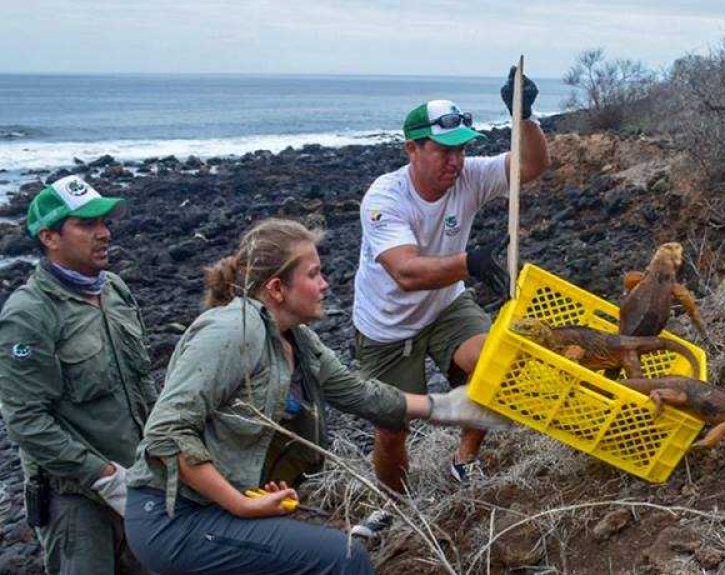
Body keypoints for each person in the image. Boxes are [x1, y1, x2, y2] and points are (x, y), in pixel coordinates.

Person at [122, 218, 506, 575]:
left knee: (322, 540)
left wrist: (450, 406)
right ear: (276, 289)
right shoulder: (231, 332)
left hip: (212, 507)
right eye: (313, 274)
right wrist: (240, 503)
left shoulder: (297, 338)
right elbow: (167, 432)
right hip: (174, 517)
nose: (325, 284)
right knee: (343, 558)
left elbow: (357, 393)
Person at [353, 68, 549, 490]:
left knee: (495, 370)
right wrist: (471, 263)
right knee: (392, 430)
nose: (455, 161)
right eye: (444, 150)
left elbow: (532, 164)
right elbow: (405, 272)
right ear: (412, 149)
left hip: (446, 307)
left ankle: (464, 459)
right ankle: (396, 505)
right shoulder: (385, 198)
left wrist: (526, 116)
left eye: (461, 149)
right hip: (386, 328)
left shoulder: (469, 176)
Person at [0, 175, 155, 574]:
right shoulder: (29, 314)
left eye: (105, 222)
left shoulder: (115, 290)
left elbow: (142, 384)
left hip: (138, 482)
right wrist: (103, 476)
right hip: (76, 500)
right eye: (87, 225)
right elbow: (26, 422)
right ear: (50, 237)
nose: (103, 233)